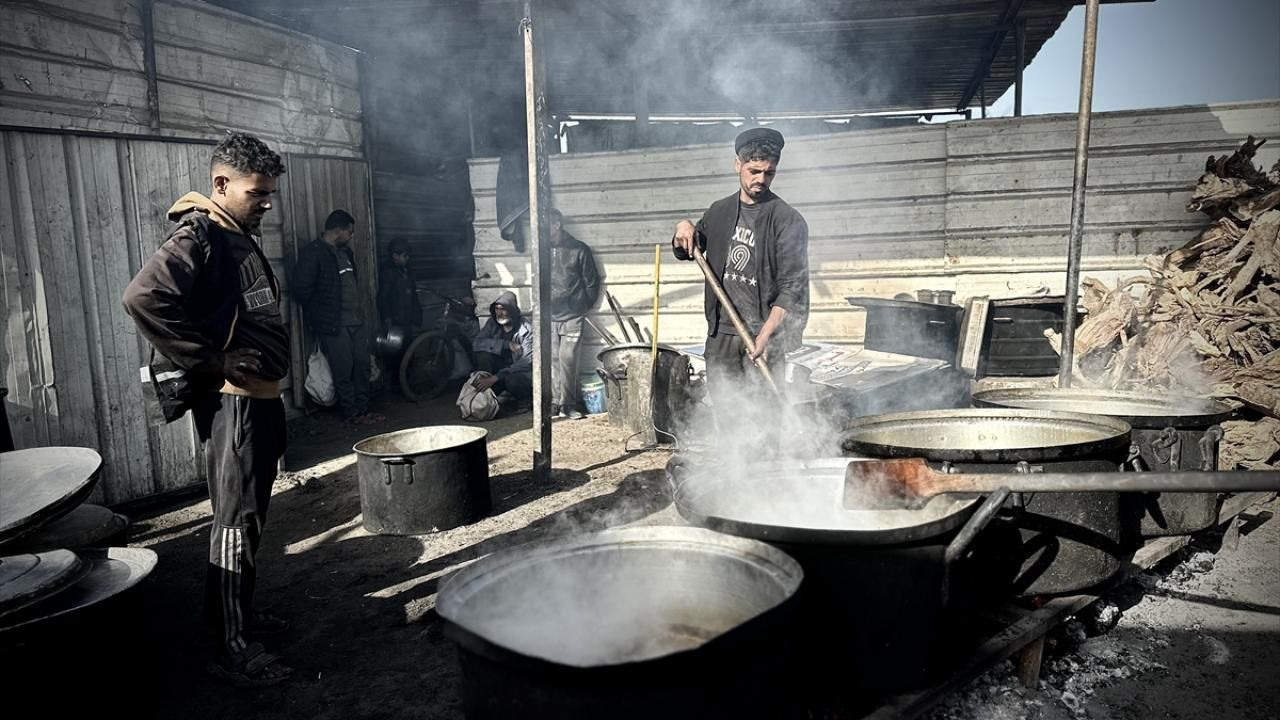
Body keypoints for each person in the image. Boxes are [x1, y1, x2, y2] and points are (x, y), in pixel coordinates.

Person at [122, 132, 294, 686]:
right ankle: (231, 644)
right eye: (257, 192)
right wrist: (213, 360)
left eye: (269, 192)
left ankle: (233, 617)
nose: (266, 201)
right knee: (235, 522)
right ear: (222, 184)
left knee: (251, 517)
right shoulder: (201, 233)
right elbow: (143, 296)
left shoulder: (234, 230)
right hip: (234, 405)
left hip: (258, 402)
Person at [670, 127, 809, 441]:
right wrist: (683, 227)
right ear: (738, 165)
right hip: (721, 338)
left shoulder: (787, 220)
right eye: (754, 171)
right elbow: (687, 248)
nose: (761, 179)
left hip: (763, 336)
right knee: (728, 418)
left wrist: (765, 336)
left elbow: (791, 288)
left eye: (769, 173)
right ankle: (736, 478)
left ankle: (771, 480)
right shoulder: (719, 212)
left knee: (766, 420)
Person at [293, 209, 383, 424]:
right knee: (343, 370)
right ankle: (351, 414)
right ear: (338, 230)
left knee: (362, 366)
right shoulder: (313, 253)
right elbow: (301, 290)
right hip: (334, 324)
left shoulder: (346, 253)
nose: (351, 236)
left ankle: (363, 410)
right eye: (349, 232)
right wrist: (320, 313)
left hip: (356, 321)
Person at [548, 209, 601, 419]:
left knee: (567, 359)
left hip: (572, 316)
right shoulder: (541, 251)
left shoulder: (579, 250)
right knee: (552, 360)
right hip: (549, 316)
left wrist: (579, 306)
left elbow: (591, 284)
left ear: (556, 225)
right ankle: (554, 402)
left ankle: (568, 404)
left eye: (546, 226)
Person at [470, 291, 533, 411]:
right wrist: (505, 344)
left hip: (518, 373)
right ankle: (488, 398)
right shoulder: (492, 324)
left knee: (512, 379)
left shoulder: (526, 329)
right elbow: (477, 343)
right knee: (483, 356)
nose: (499, 313)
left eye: (503, 309)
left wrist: (496, 377)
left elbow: (527, 363)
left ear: (512, 311)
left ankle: (525, 400)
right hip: (498, 372)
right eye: (497, 309)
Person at [377, 238, 421, 392]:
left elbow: (413, 295)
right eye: (404, 255)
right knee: (396, 354)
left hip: (407, 319)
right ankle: (397, 387)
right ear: (395, 255)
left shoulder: (407, 270)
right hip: (396, 321)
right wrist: (388, 319)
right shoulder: (388, 272)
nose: (407, 258)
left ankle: (407, 385)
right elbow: (383, 297)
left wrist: (417, 316)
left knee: (409, 353)